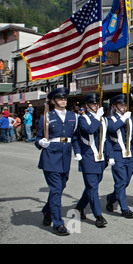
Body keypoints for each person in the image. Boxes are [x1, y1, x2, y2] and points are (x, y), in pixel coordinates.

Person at [35, 87, 78, 236]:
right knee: (56, 190)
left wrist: (77, 153)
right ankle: (57, 223)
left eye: (65, 98)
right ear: (53, 101)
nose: (63, 100)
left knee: (61, 187)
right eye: (60, 98)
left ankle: (47, 210)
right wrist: (41, 142)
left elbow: (75, 137)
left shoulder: (73, 116)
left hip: (65, 157)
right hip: (51, 157)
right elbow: (37, 138)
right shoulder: (46, 117)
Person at [73, 93, 108, 228]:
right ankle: (98, 216)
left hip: (100, 158)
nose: (96, 106)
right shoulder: (83, 119)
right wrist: (98, 117)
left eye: (96, 103)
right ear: (86, 106)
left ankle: (80, 207)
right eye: (93, 104)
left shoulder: (102, 119)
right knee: (93, 187)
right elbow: (89, 130)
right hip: (88, 157)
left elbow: (106, 140)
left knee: (91, 186)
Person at [105, 94, 133, 219]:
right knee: (121, 181)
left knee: (126, 180)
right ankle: (124, 209)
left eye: (125, 105)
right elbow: (112, 128)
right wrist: (124, 118)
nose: (124, 107)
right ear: (114, 106)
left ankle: (112, 197)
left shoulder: (130, 119)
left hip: (129, 154)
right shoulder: (110, 120)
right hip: (117, 153)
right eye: (121, 105)